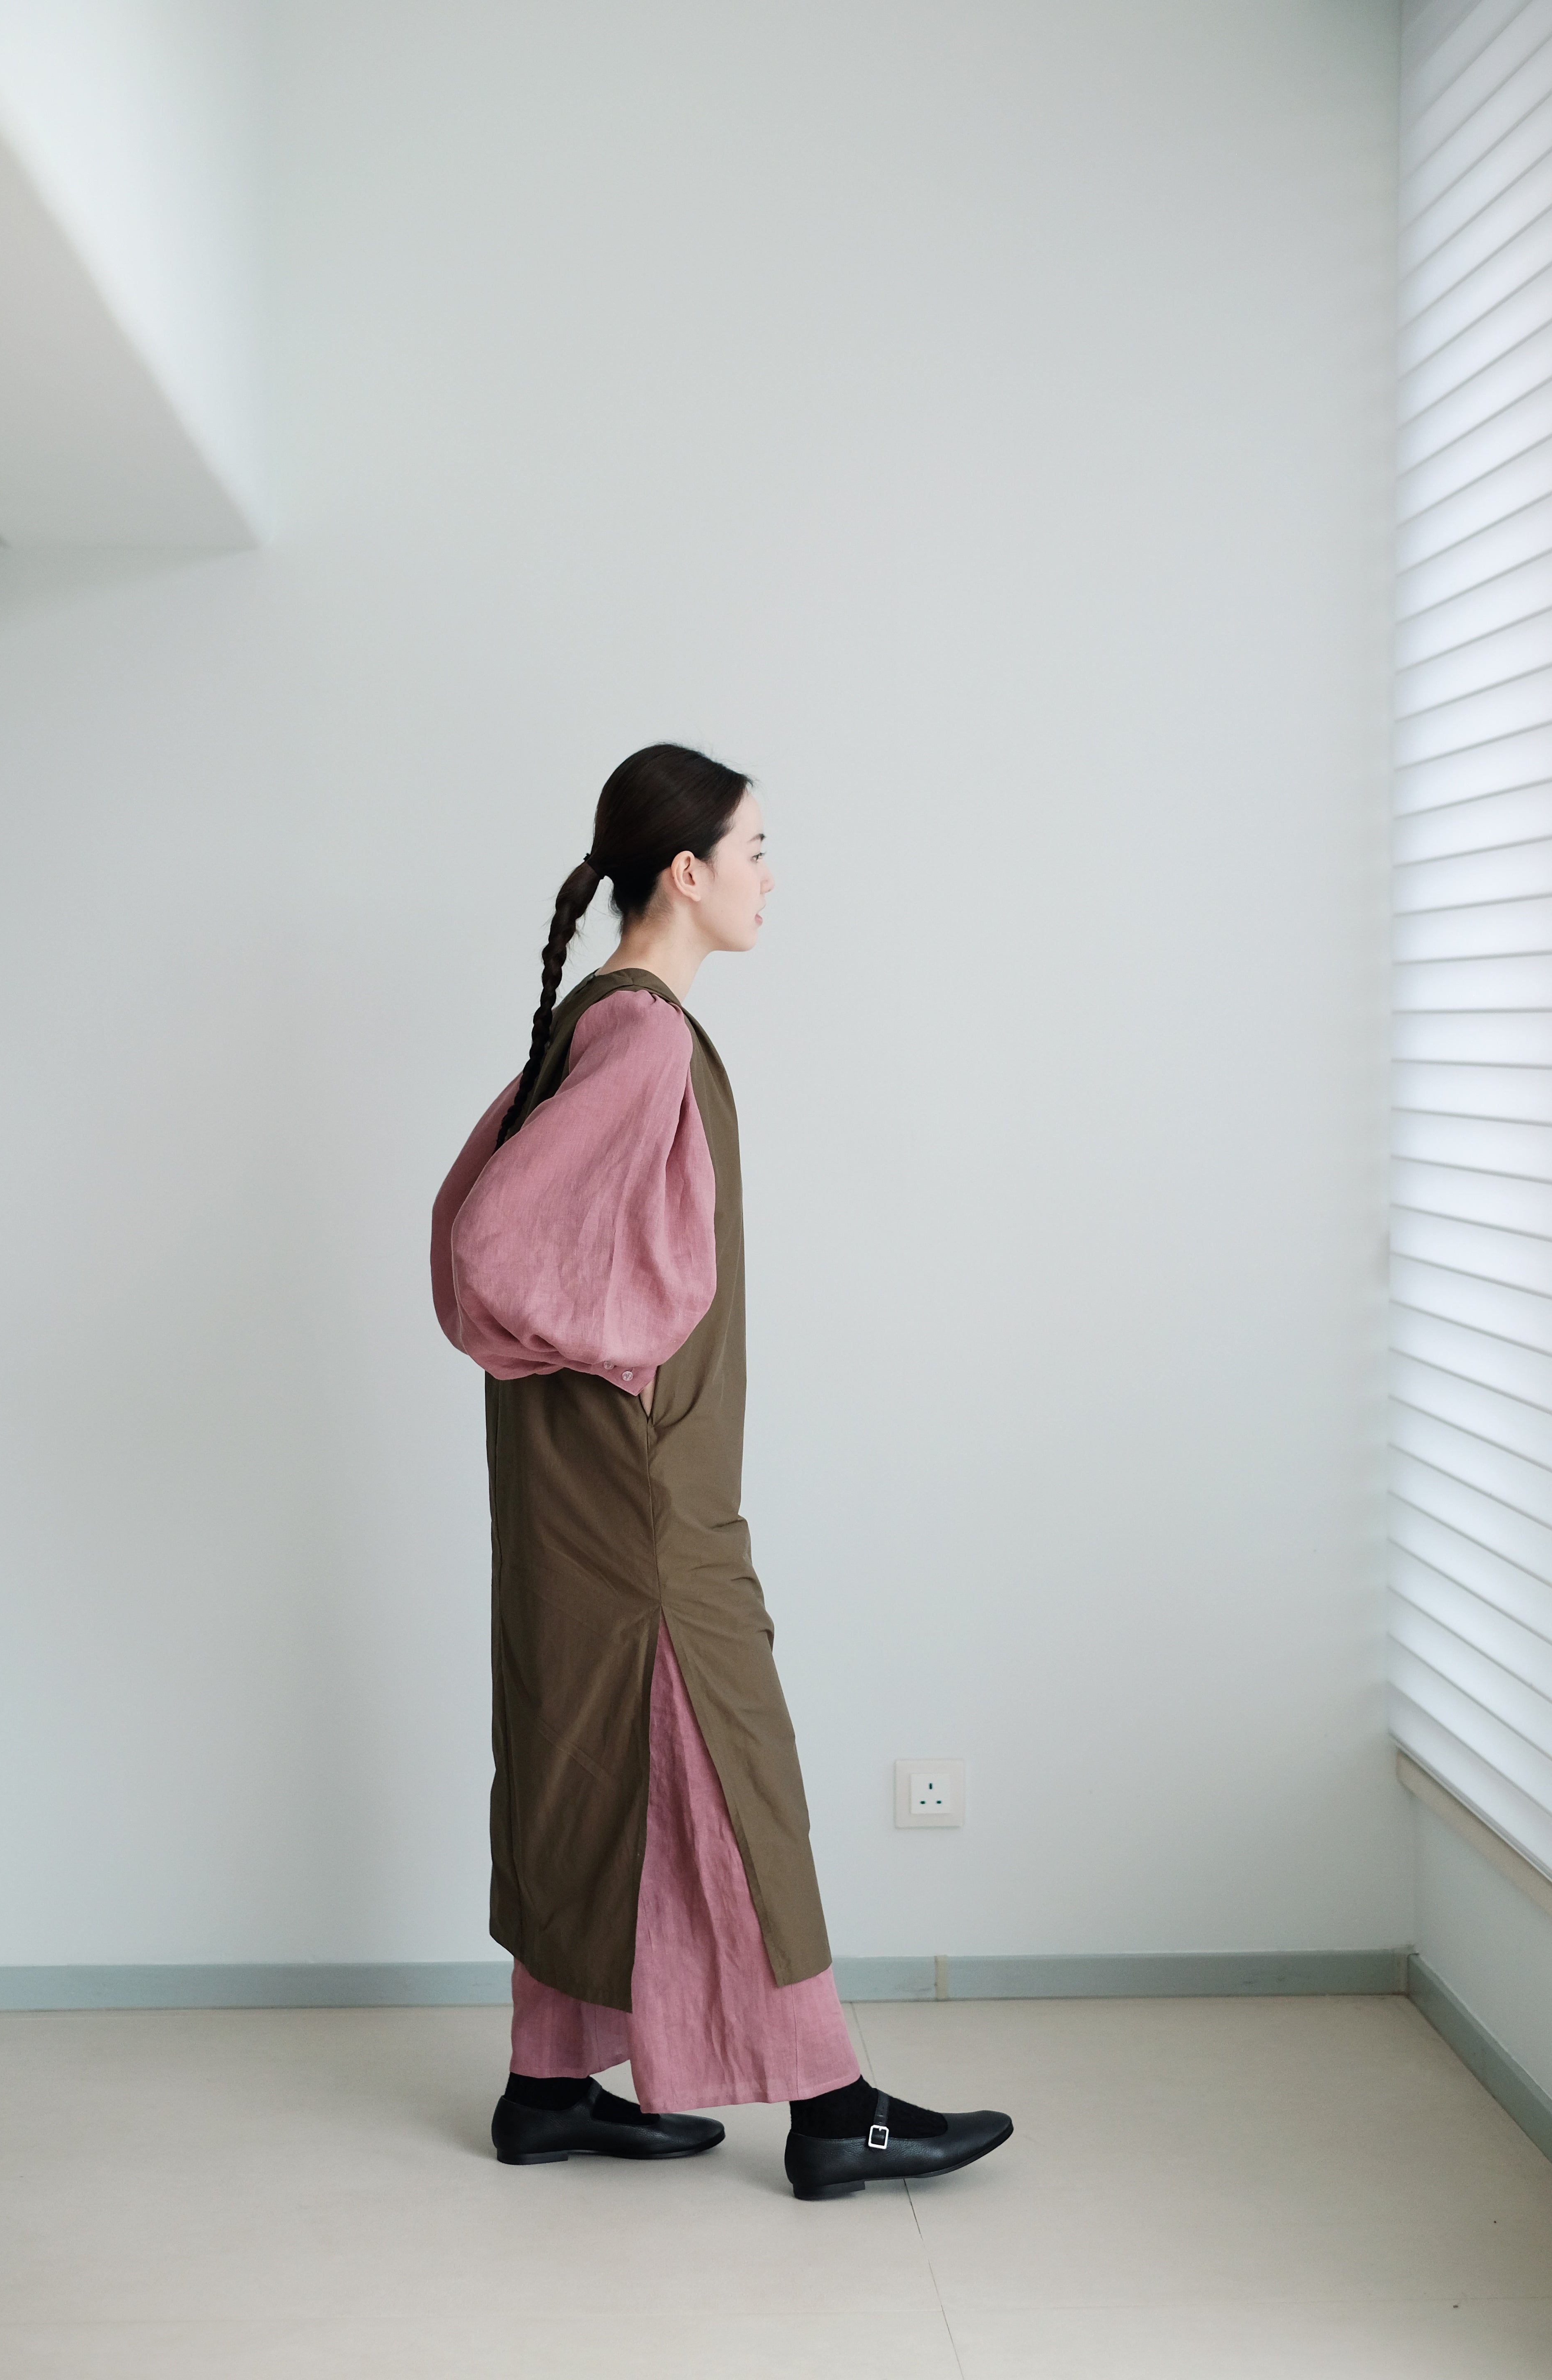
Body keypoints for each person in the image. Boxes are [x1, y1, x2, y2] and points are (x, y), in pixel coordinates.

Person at [431, 743, 1012, 2199]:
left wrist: (609, 1335)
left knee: (581, 1769)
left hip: (583, 1492)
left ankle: (548, 2088)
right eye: (755, 849)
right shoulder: (643, 1036)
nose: (770, 877)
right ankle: (835, 2113)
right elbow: (493, 1245)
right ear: (686, 873)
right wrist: (630, 1343)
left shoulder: (597, 1018)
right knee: (737, 1776)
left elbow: (492, 1231)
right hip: (642, 1501)